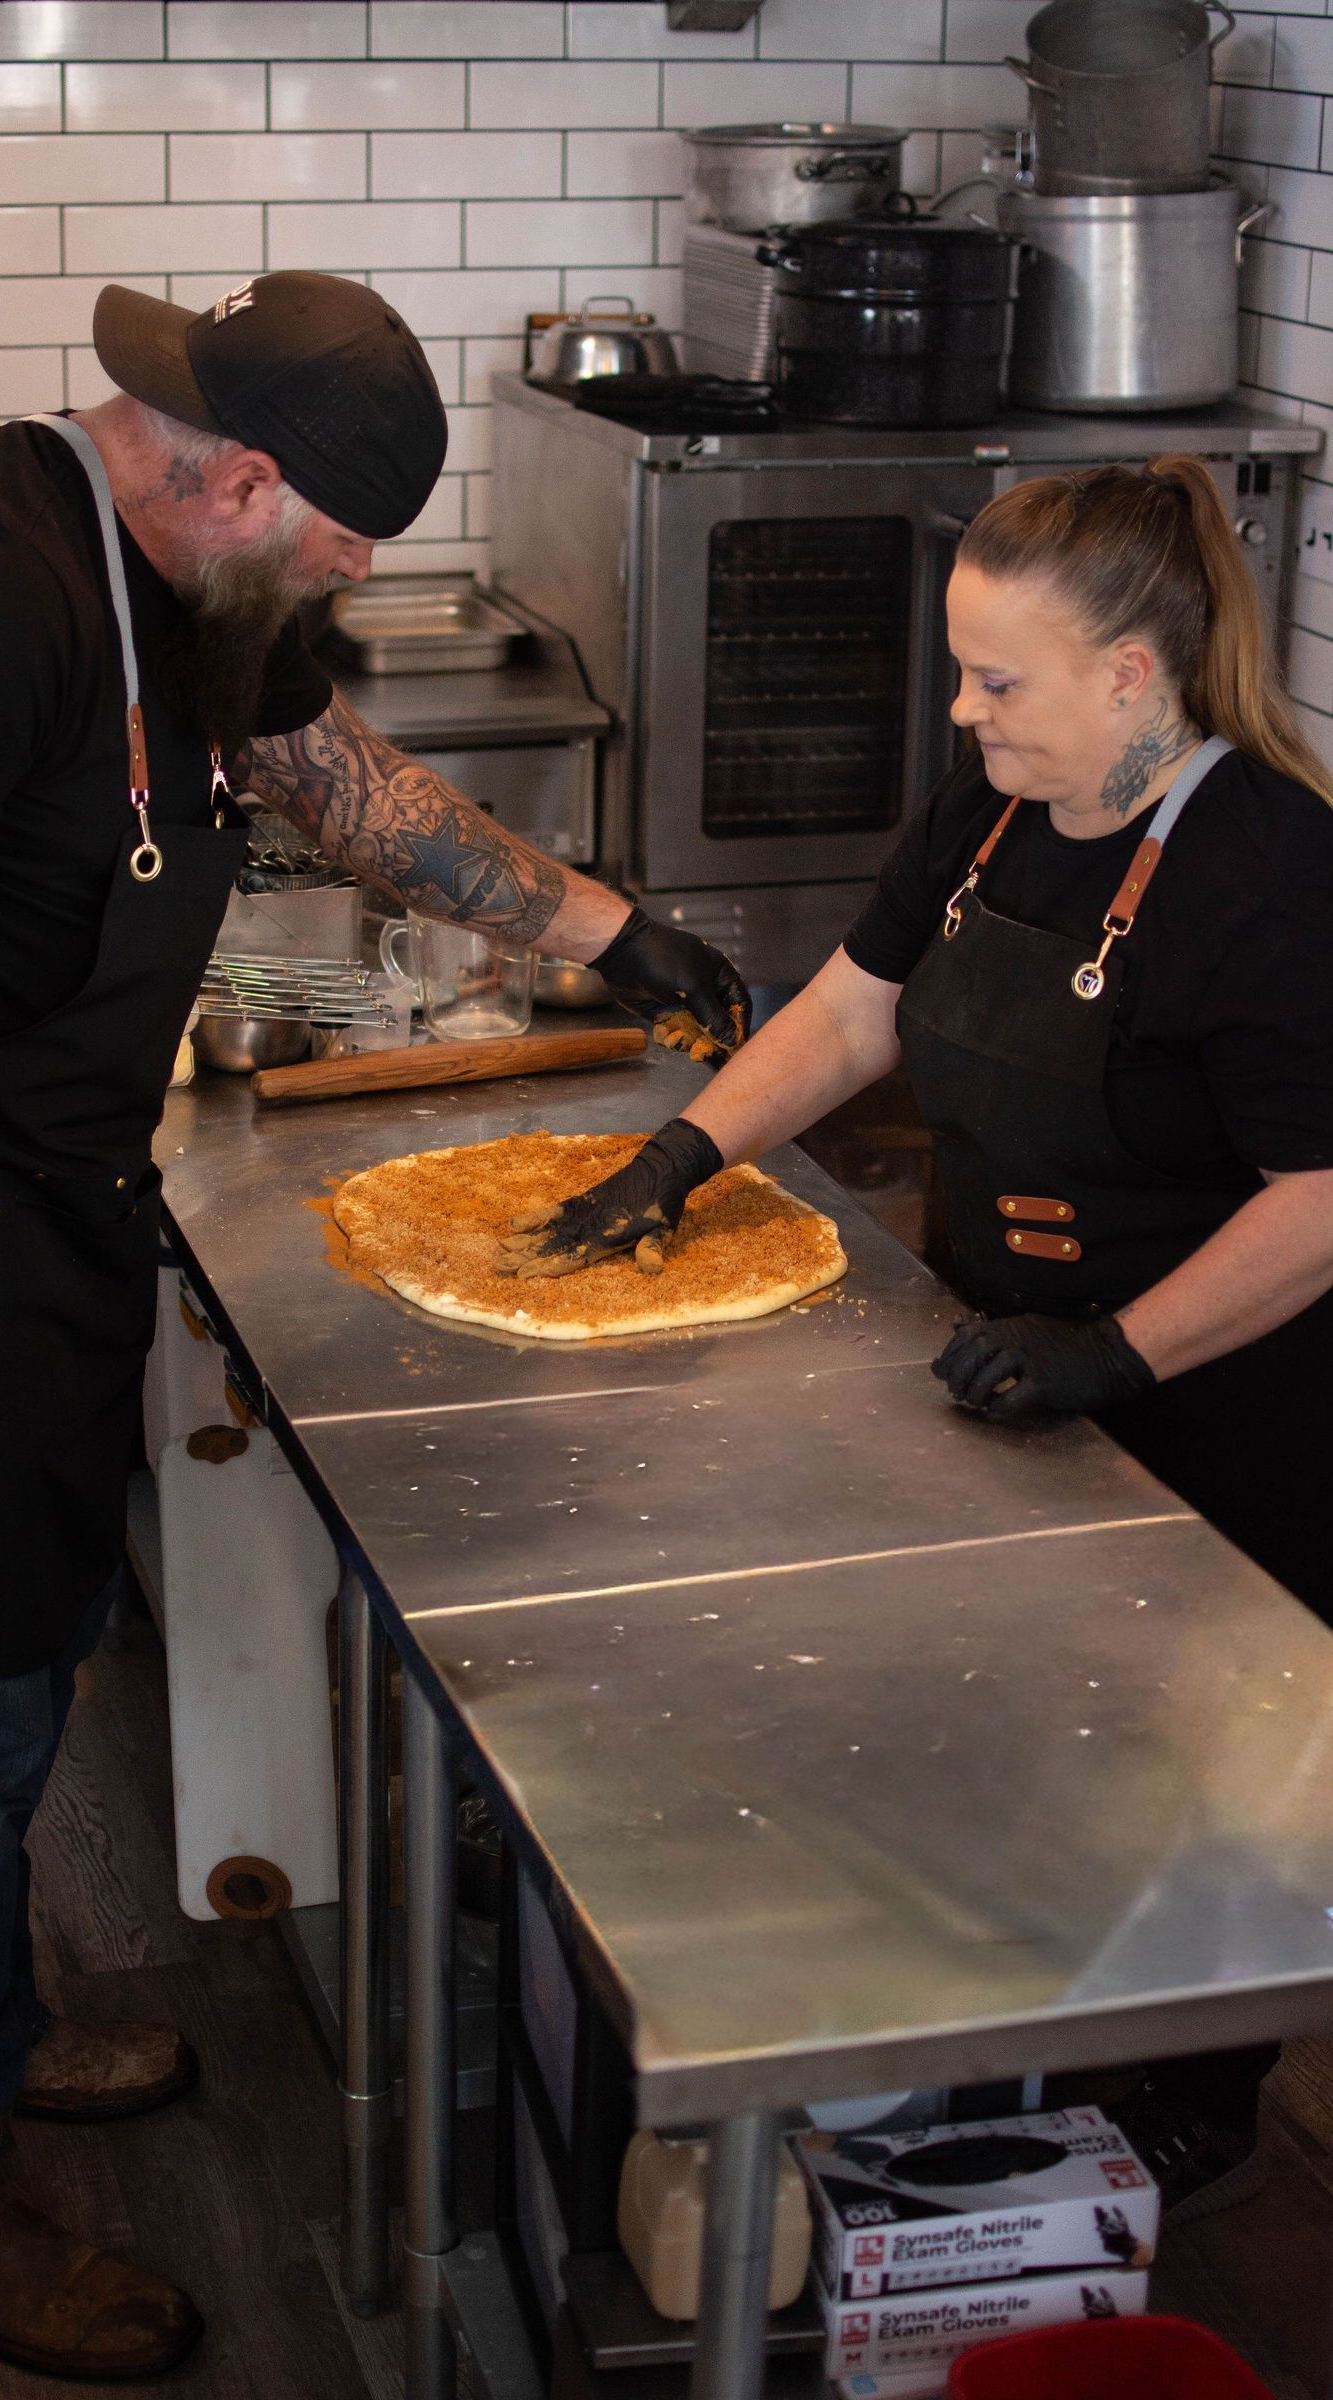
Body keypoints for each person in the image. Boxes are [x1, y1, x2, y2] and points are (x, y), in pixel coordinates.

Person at [0, 270, 748, 2382]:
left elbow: (330, 773)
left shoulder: (158, 580)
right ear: (244, 475)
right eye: (348, 544)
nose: (355, 583)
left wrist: (598, 925)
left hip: (41, 1194)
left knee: (11, 1675)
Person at [498, 455, 1333, 2221]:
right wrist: (687, 1148)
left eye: (997, 680)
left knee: (1210, 1773)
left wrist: (1124, 1350)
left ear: (1134, 676)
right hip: (1009, 1360)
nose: (963, 711)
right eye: (962, 673)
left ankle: (1200, 2085)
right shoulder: (996, 809)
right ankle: (1004, 2019)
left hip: (1227, 1404)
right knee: (1036, 1737)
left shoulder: (1272, 869)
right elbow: (858, 1008)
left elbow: (1323, 1195)